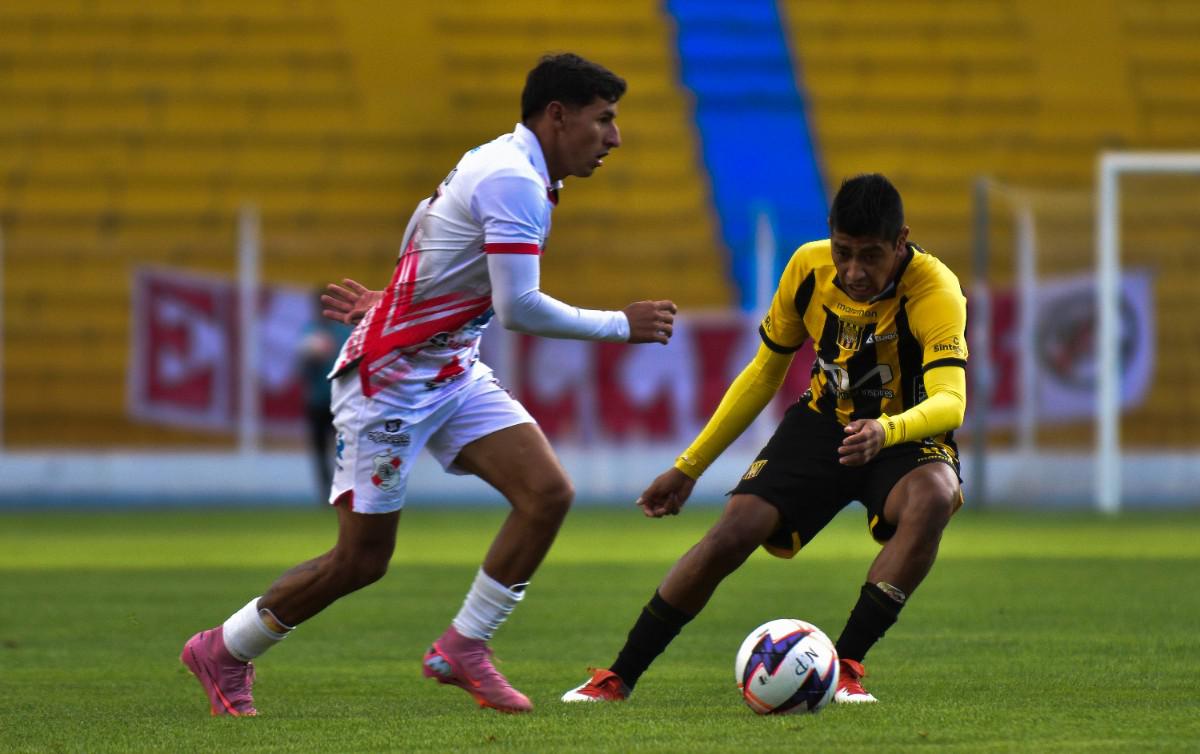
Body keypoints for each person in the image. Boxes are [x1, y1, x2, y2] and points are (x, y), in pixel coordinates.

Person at [181, 52, 677, 716]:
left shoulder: (505, 163)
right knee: (360, 561)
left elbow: (431, 222)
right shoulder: (515, 181)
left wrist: (398, 299)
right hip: (388, 379)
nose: (614, 138)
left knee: (548, 493)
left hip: (447, 366)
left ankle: (464, 646)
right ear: (557, 116)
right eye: (604, 120)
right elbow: (517, 307)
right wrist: (622, 324)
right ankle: (222, 649)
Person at [562, 173, 967, 705]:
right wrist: (689, 466)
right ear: (830, 237)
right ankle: (619, 677)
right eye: (844, 252)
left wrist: (886, 429)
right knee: (733, 531)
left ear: (900, 241)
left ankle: (844, 667)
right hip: (823, 423)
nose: (853, 270)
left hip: (904, 433)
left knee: (935, 494)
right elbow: (762, 374)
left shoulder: (935, 289)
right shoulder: (807, 268)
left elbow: (950, 401)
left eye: (870, 256)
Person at [296, 299, 352, 500]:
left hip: (341, 402)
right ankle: (325, 494)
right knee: (320, 451)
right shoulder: (310, 332)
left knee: (345, 450)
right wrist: (310, 359)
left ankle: (345, 490)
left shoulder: (343, 332)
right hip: (317, 401)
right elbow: (301, 369)